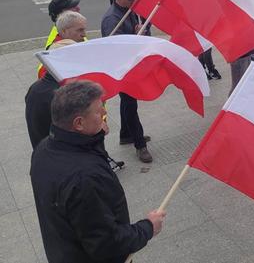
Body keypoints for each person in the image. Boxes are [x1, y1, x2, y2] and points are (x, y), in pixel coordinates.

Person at [30, 81, 165, 263]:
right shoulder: (85, 177)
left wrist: (96, 136)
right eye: (98, 111)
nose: (104, 113)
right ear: (78, 123)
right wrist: (148, 227)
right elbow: (107, 243)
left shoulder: (43, 149)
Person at [101, 0, 152, 163]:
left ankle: (125, 135)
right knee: (131, 104)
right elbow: (116, 47)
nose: (133, 3)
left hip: (128, 66)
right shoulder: (112, 19)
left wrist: (137, 31)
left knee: (128, 102)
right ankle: (140, 145)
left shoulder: (126, 10)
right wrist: (135, 36)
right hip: (121, 68)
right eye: (130, 0)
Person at [26, 11, 89, 149]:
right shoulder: (61, 94)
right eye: (80, 30)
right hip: (59, 155)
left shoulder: (37, 88)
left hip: (45, 153)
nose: (84, 34)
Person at [37, 0, 81, 79]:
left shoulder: (71, 30)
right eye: (72, 8)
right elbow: (44, 73)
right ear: (62, 15)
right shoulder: (59, 42)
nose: (78, 8)